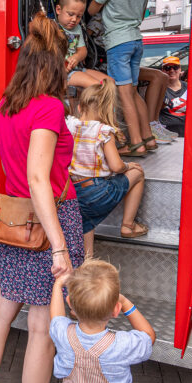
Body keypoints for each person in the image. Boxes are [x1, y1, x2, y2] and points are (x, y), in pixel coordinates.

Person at [0, 13, 83, 383]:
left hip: (12, 218)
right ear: (53, 67)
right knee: (40, 326)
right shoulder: (49, 107)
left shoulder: (6, 104)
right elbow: (39, 178)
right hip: (47, 221)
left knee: (1, 311)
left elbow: (20, 167)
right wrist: (58, 245)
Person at [49, 259, 155, 383]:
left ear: (70, 304)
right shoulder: (122, 345)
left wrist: (57, 285)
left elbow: (56, 318)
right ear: (115, 310)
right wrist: (126, 303)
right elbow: (149, 336)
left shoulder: (64, 336)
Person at [88, 0, 156, 156]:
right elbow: (141, 14)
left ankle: (135, 143)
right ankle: (148, 138)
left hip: (118, 43)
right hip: (136, 40)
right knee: (134, 93)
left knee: (124, 94)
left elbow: (92, 9)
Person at [66, 81, 147, 256]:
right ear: (107, 111)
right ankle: (128, 225)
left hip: (73, 192)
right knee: (138, 173)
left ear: (80, 107)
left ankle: (87, 261)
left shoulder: (70, 126)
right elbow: (116, 166)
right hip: (97, 192)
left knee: (86, 223)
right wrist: (128, 166)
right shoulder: (103, 131)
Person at [56, 0, 108, 90]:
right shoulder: (50, 27)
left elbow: (83, 50)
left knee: (109, 83)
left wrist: (76, 57)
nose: (74, 19)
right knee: (97, 86)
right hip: (60, 74)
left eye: (79, 16)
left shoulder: (77, 28)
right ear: (58, 10)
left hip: (77, 69)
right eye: (70, 14)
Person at [159, 56, 187, 137]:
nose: (171, 70)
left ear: (180, 69)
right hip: (166, 134)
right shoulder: (158, 89)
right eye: (167, 68)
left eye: (175, 67)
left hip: (188, 134)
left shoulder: (190, 88)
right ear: (163, 71)